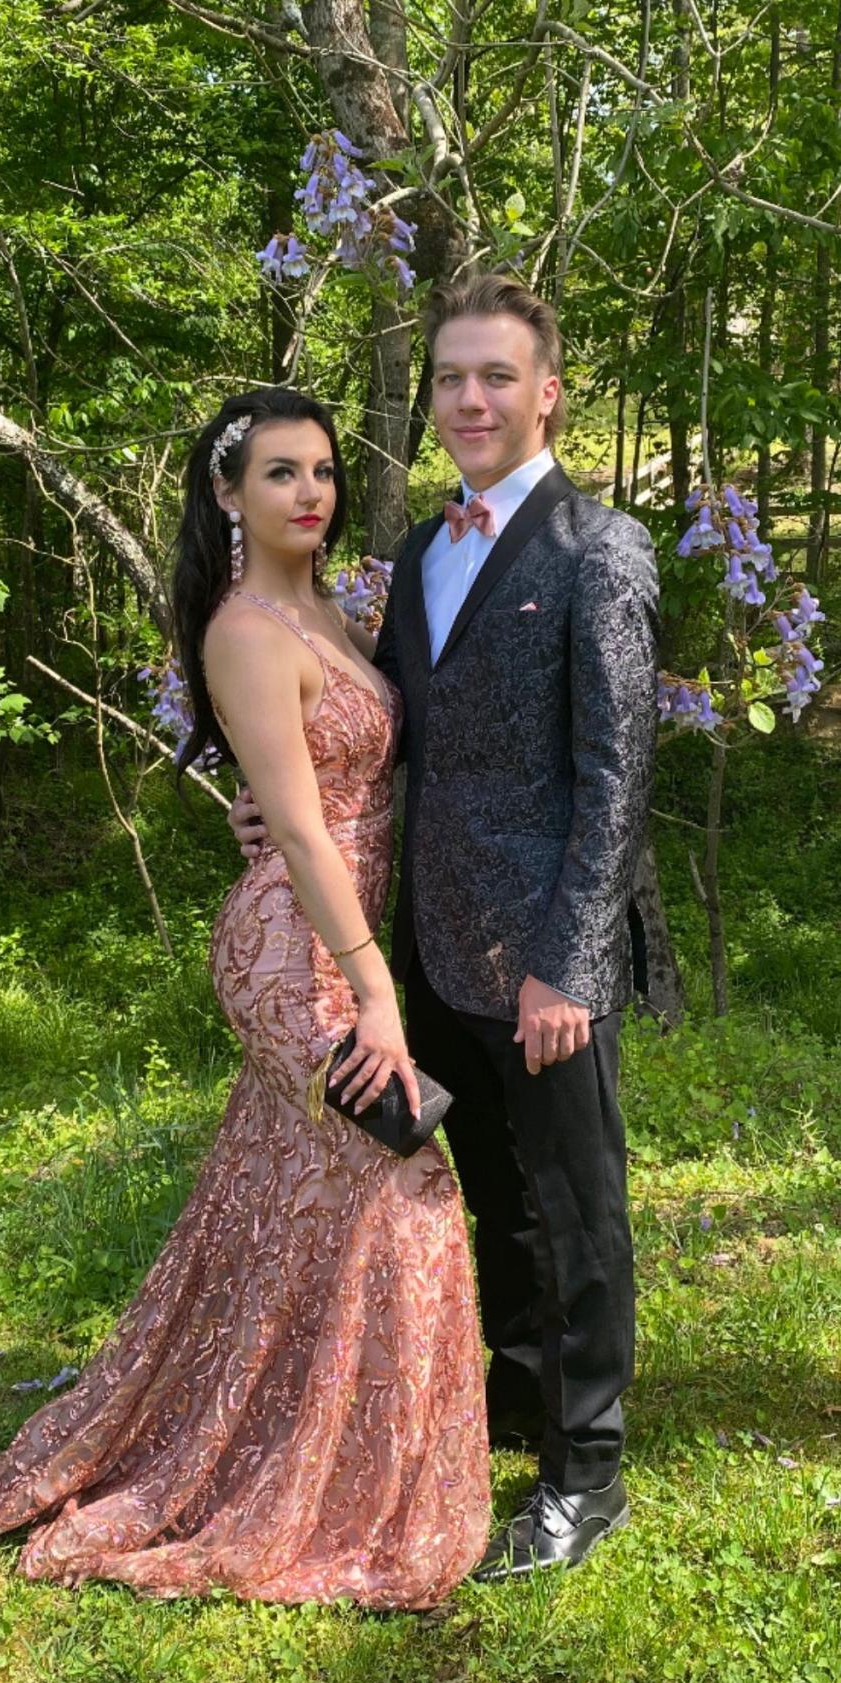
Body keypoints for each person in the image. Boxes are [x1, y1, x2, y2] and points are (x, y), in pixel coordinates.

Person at [0, 388, 490, 1609]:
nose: (311, 493)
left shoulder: (335, 608)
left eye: (325, 470)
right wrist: (375, 992)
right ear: (229, 495)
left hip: (337, 936)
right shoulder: (245, 627)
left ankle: (281, 1440)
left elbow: (330, 776)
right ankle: (332, 1483)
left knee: (287, 1198)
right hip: (298, 957)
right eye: (281, 473)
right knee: (408, 1181)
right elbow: (292, 818)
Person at [231, 277, 660, 1577]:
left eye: (495, 376)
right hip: (426, 949)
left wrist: (566, 969)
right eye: (451, 379)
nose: (469, 399)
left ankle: (587, 1474)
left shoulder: (603, 551)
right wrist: (279, 809)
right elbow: (393, 724)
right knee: (496, 1207)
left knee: (577, 1210)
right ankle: (521, 1403)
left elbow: (614, 780)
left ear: (547, 393)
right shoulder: (425, 549)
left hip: (541, 962)